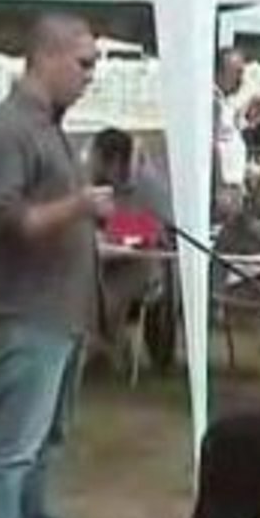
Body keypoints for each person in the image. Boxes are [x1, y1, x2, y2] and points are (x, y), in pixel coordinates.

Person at [0, 13, 119, 518]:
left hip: (60, 313)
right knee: (11, 446)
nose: (90, 77)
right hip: (26, 311)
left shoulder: (49, 127)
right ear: (48, 57)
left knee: (44, 439)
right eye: (84, 63)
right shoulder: (7, 131)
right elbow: (3, 222)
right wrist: (79, 205)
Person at [89, 127, 176, 370]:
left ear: (114, 161)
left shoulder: (149, 186)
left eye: (96, 161)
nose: (92, 168)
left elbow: (158, 230)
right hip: (111, 260)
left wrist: (114, 233)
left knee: (102, 290)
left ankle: (104, 347)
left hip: (148, 267)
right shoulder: (106, 185)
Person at [212, 47, 248, 223]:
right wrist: (220, 187)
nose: (241, 79)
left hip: (233, 183)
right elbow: (211, 146)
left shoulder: (226, 102)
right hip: (224, 186)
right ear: (220, 73)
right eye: (237, 73)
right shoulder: (213, 102)